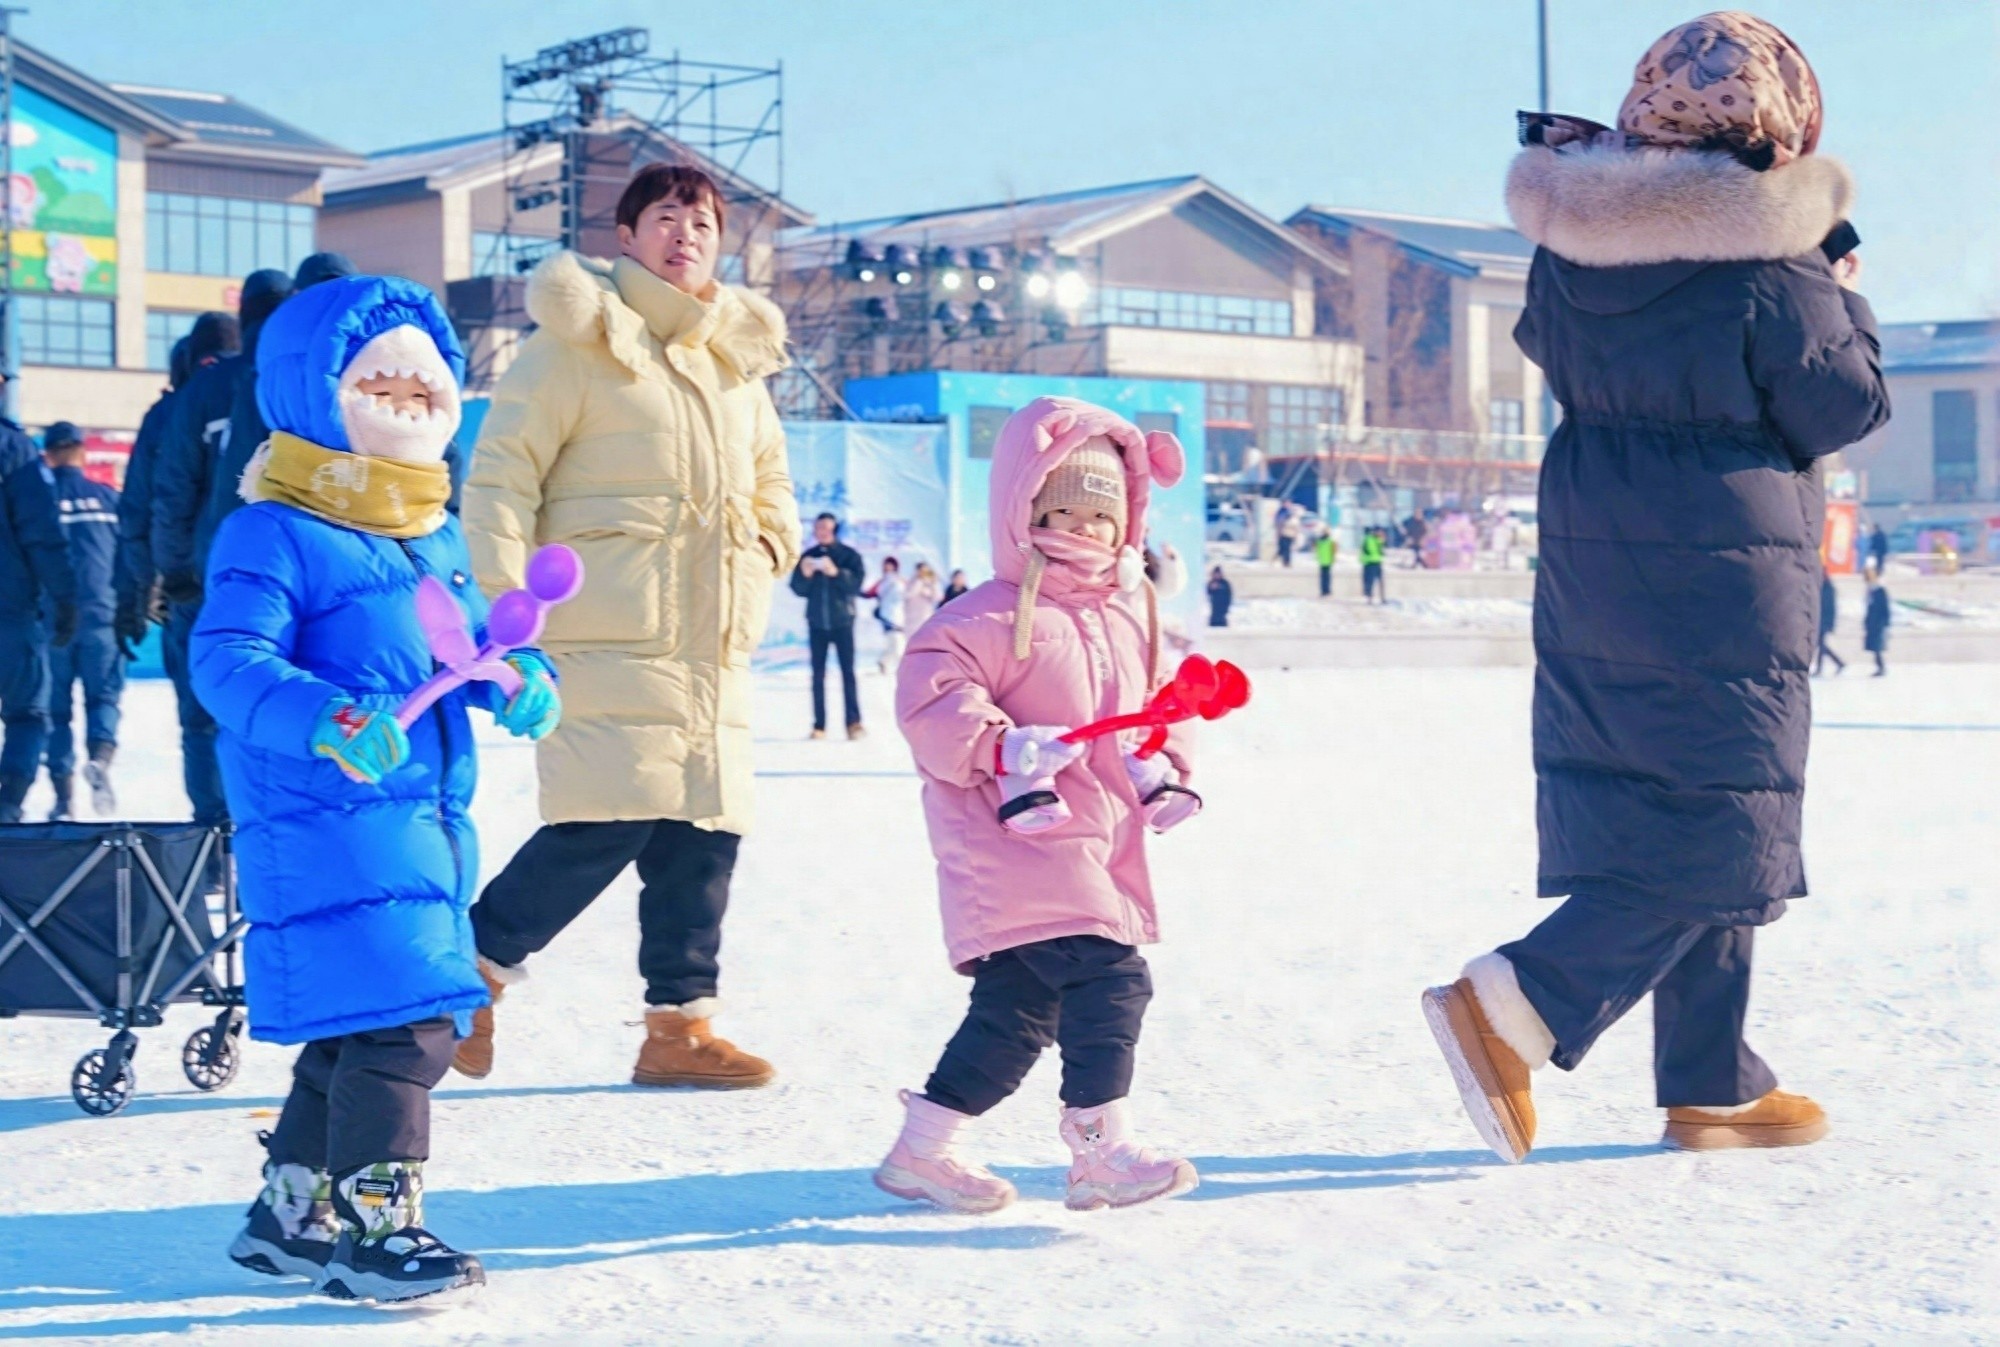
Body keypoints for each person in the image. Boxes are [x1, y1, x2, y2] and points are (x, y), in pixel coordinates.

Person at [1424, 12, 1889, 1161]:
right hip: (1722, 570)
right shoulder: (1771, 267)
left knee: (1668, 806)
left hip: (1595, 556)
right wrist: (1841, 288)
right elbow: (1844, 405)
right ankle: (1514, 1005)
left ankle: (1711, 1079)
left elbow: (1551, 344)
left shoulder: (1570, 249)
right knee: (1720, 822)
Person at [195, 275, 559, 1301]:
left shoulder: (426, 532)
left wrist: (520, 678)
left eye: (422, 390)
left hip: (419, 820)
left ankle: (287, 1214)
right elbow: (226, 659)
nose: (407, 405)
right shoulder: (273, 528)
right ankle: (374, 1230)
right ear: (315, 393)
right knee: (411, 1017)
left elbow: (473, 643)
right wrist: (323, 717)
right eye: (378, 388)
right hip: (324, 814)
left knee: (367, 1015)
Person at [458, 163, 799, 1090]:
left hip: (710, 648)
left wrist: (766, 556)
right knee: (599, 823)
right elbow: (499, 477)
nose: (685, 235)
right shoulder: (578, 343)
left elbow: (774, 484)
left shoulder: (735, 365)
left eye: (702, 221)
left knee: (703, 840)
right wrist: (508, 609)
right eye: (665, 218)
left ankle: (678, 1028)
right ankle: (465, 984)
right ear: (627, 238)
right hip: (604, 637)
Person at [877, 397, 1201, 1214]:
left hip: (1097, 843)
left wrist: (1163, 749)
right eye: (1062, 510)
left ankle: (923, 1149)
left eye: (1103, 516)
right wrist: (1001, 744)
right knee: (1114, 978)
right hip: (1014, 844)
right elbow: (930, 701)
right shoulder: (979, 617)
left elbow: (1154, 709)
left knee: (1017, 1015)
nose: (1084, 530)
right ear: (1023, 510)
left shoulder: (1127, 619)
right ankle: (1101, 1150)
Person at [153, 268, 293, 828]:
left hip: (212, 576)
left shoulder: (202, 392)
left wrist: (172, 570)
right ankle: (273, 831)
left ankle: (215, 844)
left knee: (206, 714)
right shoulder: (307, 379)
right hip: (294, 574)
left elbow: (171, 487)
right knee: (283, 704)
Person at [116, 315, 239, 663]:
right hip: (266, 567)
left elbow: (139, 507)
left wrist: (147, 585)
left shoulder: (170, 411)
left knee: (200, 696)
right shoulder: (268, 386)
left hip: (190, 577)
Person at [0, 375, 78, 823]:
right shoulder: (14, 449)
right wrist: (66, 596)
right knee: (28, 715)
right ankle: (8, 807)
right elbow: (42, 533)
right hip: (9, 612)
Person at [38, 422, 124, 819]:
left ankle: (63, 799)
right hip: (103, 617)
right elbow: (129, 557)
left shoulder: (36, 503)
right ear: (82, 454)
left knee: (54, 712)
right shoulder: (107, 499)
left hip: (51, 623)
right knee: (103, 697)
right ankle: (101, 761)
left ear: (49, 455)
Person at [791, 511, 866, 739]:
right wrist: (804, 574)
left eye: (827, 528)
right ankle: (819, 725)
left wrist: (836, 572)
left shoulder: (848, 555)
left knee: (847, 673)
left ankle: (853, 723)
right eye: (818, 529)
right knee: (817, 675)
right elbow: (797, 589)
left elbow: (856, 585)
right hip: (817, 623)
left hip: (843, 621)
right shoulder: (808, 556)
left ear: (835, 530)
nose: (822, 532)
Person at [870, 555, 907, 674]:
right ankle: (903, 668)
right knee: (896, 641)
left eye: (890, 564)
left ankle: (883, 661)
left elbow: (908, 593)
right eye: (886, 564)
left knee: (894, 641)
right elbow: (870, 592)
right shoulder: (882, 581)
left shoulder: (900, 580)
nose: (888, 566)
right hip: (887, 615)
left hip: (898, 614)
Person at [1815, 567, 1845, 676]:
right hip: (1820, 620)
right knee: (1820, 645)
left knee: (1821, 645)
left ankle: (1820, 668)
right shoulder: (1821, 587)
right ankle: (1839, 662)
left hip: (1824, 621)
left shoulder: (1828, 589)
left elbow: (1829, 607)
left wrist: (1829, 623)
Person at [1864, 564, 1890, 676]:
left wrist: (1885, 622)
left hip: (1878, 623)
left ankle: (1881, 667)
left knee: (1877, 646)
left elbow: (1885, 608)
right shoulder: (1869, 590)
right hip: (1872, 623)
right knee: (1875, 647)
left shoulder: (1880, 590)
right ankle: (1880, 666)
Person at [904, 560, 942, 634]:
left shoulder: (931, 583)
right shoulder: (911, 582)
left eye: (926, 571)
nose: (924, 573)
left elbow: (938, 597)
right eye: (922, 571)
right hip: (912, 620)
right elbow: (909, 595)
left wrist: (934, 583)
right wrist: (919, 582)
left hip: (926, 617)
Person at [1360, 526, 1386, 604]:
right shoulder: (1369, 539)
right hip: (1370, 562)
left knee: (1381, 581)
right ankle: (1370, 598)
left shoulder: (1378, 539)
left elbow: (1381, 549)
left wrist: (1381, 540)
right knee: (1370, 582)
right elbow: (1370, 550)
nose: (1380, 533)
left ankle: (1382, 598)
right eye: (1378, 532)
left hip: (1377, 562)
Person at [1274, 503, 1299, 568]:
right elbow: (1280, 526)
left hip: (1289, 536)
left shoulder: (1294, 520)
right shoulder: (1283, 519)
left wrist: (1295, 536)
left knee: (1287, 550)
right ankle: (1283, 561)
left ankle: (1286, 562)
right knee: (1283, 549)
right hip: (1284, 535)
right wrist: (1279, 534)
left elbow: (1296, 529)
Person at [1315, 527, 1337, 598]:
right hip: (1326, 560)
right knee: (1326, 577)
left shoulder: (1321, 541)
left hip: (1325, 561)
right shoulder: (1329, 541)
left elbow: (1333, 550)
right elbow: (1333, 550)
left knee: (1325, 577)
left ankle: (1325, 591)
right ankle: (1326, 591)